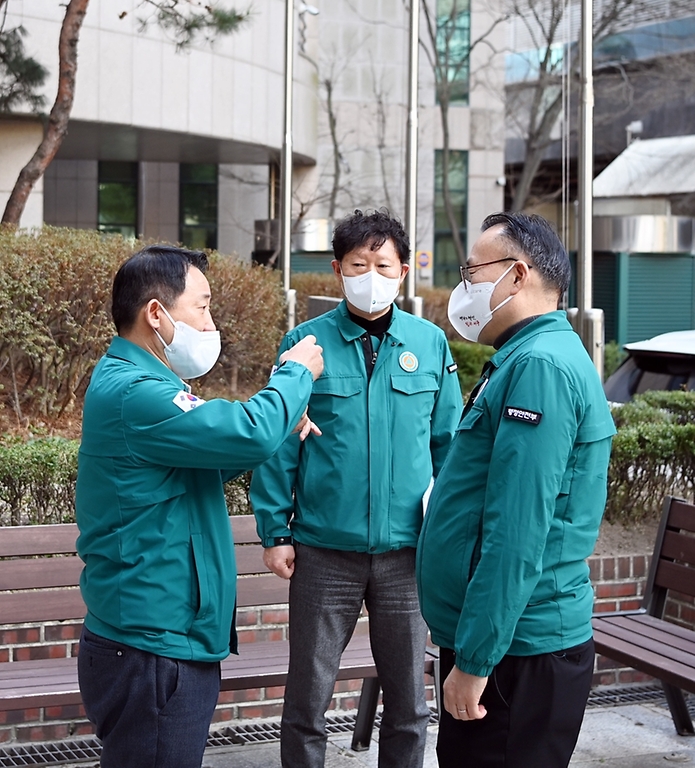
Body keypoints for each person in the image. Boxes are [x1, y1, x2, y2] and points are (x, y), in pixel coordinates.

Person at [75, 244, 324, 768]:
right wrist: (295, 375)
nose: (211, 322)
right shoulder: (135, 391)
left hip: (161, 637)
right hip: (152, 646)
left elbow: (211, 459)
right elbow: (247, 431)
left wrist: (275, 433)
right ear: (156, 313)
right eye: (203, 305)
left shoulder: (144, 383)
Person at [250, 209, 462, 768]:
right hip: (324, 552)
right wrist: (275, 531)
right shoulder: (304, 343)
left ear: (403, 270)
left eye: (383, 264)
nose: (372, 274)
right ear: (338, 269)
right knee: (308, 700)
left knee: (410, 706)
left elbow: (451, 448)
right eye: (359, 264)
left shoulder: (431, 343)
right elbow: (279, 443)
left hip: (407, 555)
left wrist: (448, 533)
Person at [416, 212, 616, 768]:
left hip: (515, 656)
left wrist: (476, 662)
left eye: (472, 273)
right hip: (508, 644)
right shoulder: (526, 357)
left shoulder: (541, 368)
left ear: (518, 275)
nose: (465, 288)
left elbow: (518, 532)